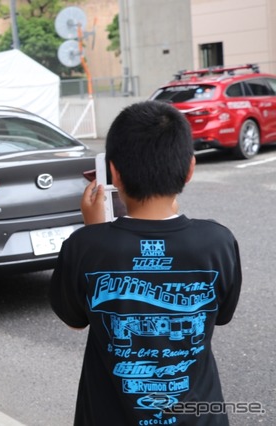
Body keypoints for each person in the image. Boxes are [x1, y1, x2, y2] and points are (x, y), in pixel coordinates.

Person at [50, 100, 242, 425]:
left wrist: (95, 234)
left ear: (113, 173)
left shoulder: (84, 246)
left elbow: (75, 320)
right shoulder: (217, 242)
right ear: (190, 169)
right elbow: (220, 316)